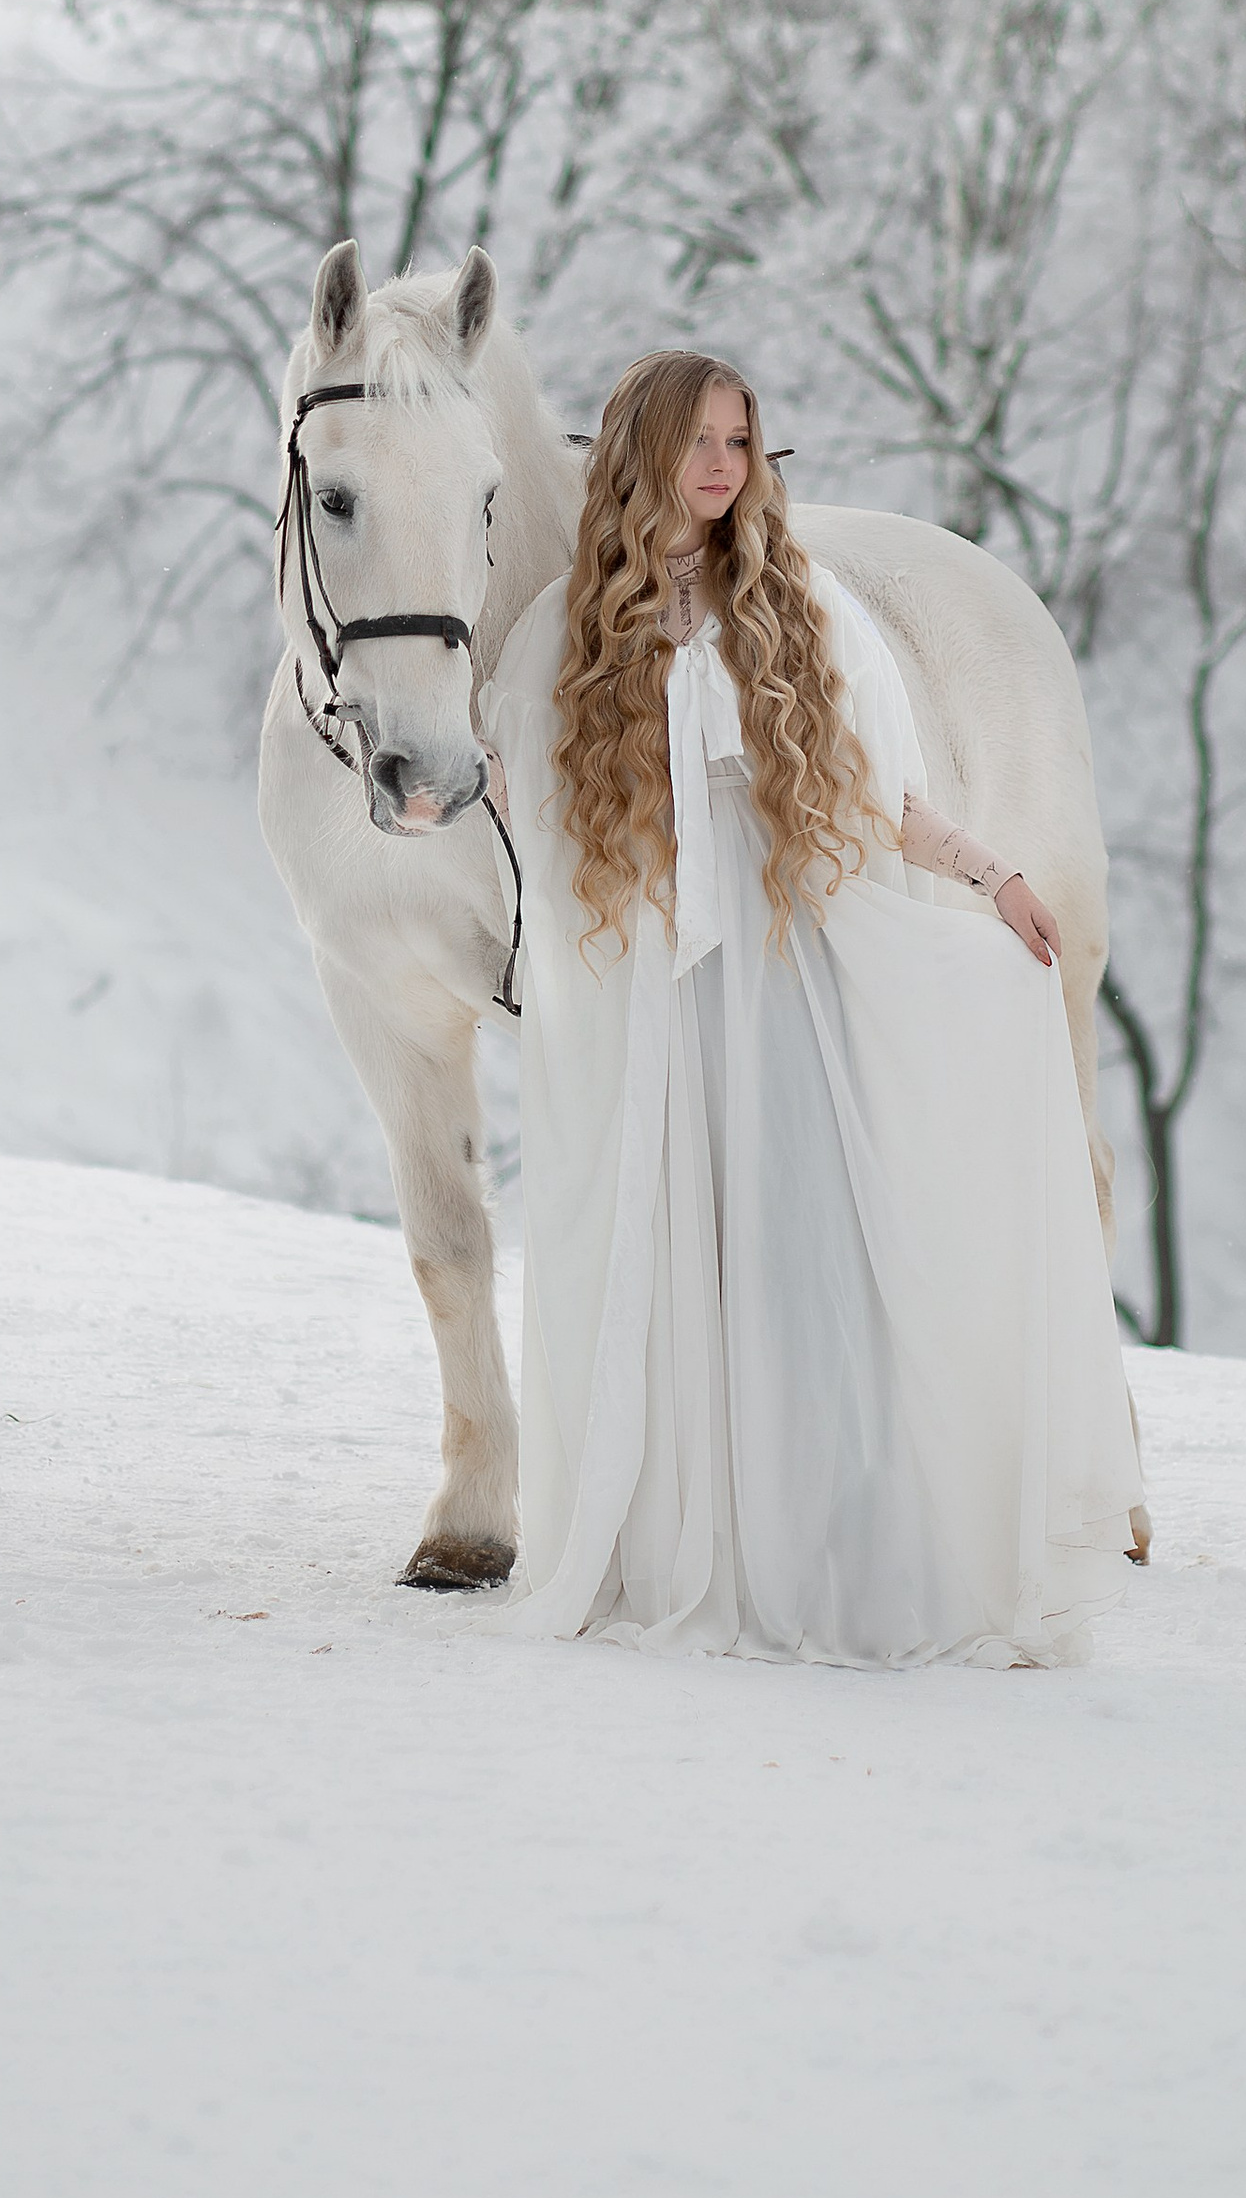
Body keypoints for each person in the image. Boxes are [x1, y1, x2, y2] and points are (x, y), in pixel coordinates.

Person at [482, 348, 1145, 1667]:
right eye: (696, 442)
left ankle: (855, 1549)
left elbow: (879, 797)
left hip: (794, 977)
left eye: (739, 439)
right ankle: (684, 1548)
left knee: (815, 1257)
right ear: (640, 454)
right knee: (674, 1261)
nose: (722, 466)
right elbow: (531, 823)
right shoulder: (568, 626)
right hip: (664, 1003)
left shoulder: (800, 607)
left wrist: (992, 875)